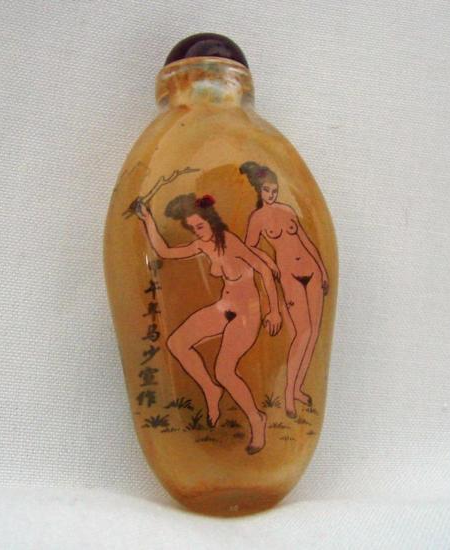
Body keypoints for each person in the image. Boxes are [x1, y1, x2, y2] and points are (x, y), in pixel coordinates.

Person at [135, 193, 281, 454]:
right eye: (193, 228)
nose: (197, 232)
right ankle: (210, 390)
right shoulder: (203, 245)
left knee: (224, 371)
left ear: (211, 221)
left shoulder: (230, 241)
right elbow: (165, 251)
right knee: (177, 343)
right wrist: (148, 220)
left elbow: (264, 270)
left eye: (200, 226)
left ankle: (257, 420)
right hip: (225, 306)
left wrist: (275, 311)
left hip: (247, 313)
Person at [241, 162, 329, 419]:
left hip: (311, 271)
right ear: (259, 191)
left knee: (314, 332)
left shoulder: (289, 210)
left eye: (274, 190)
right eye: (266, 190)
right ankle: (288, 392)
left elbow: (306, 240)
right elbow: (249, 248)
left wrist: (323, 269)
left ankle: (299, 387)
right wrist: (269, 261)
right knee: (302, 332)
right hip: (289, 275)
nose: (271, 194)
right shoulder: (257, 218)